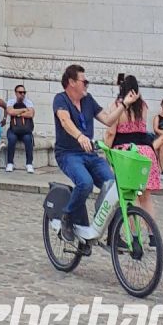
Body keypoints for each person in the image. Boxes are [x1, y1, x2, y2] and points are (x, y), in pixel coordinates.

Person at [53, 64, 138, 243]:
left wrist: (124, 104)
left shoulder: (88, 100)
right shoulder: (60, 100)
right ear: (72, 82)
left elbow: (107, 119)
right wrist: (79, 136)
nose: (87, 85)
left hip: (89, 153)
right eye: (85, 81)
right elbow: (64, 120)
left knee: (114, 186)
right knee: (85, 183)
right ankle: (67, 217)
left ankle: (112, 234)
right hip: (68, 154)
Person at [108, 73, 161, 221]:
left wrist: (106, 152)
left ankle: (134, 235)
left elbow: (111, 133)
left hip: (126, 152)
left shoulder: (117, 106)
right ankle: (152, 234)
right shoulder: (143, 106)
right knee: (146, 196)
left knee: (129, 197)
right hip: (145, 151)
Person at [4, 83, 35, 172]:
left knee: (28, 139)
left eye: (24, 92)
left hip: (25, 129)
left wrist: (17, 113)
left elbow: (31, 114)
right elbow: (10, 111)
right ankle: (10, 163)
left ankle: (29, 164)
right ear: (16, 93)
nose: (23, 94)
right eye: (20, 92)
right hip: (14, 129)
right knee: (12, 139)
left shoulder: (28, 102)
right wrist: (24, 110)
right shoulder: (11, 101)